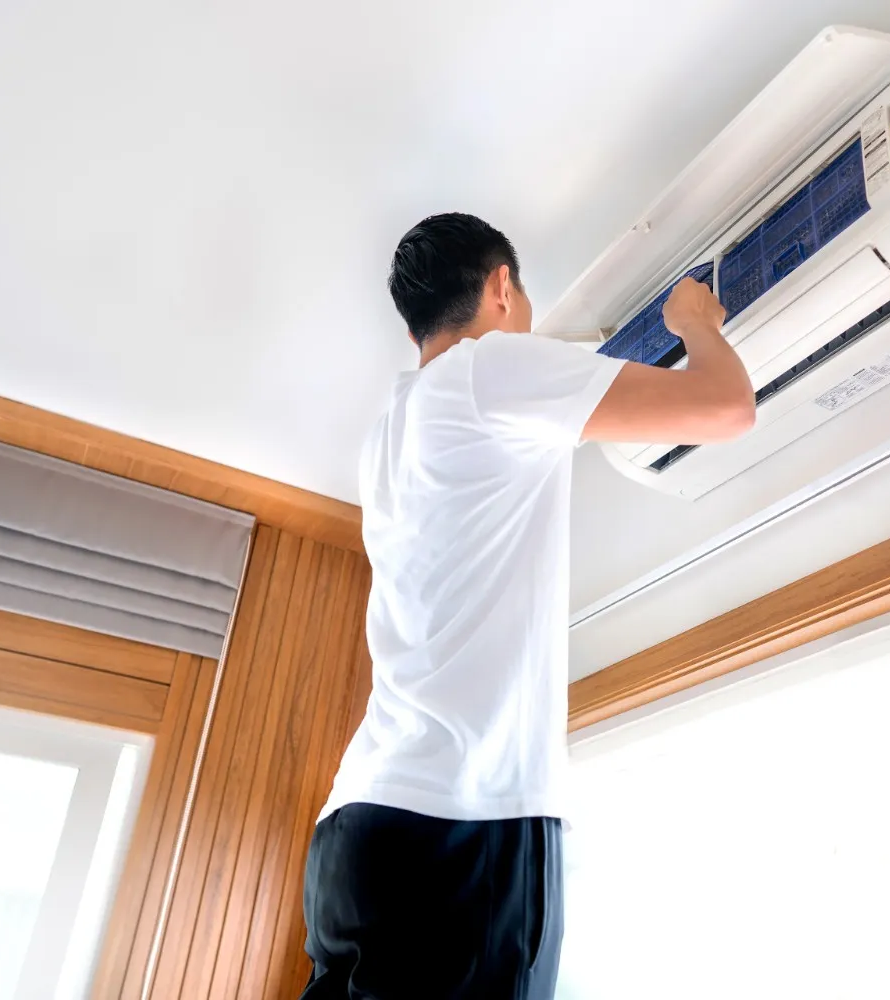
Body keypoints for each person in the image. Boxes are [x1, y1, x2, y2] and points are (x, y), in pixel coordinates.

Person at [299, 212, 755, 999]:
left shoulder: (388, 433)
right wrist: (694, 323)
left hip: (357, 832)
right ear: (501, 287)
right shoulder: (489, 371)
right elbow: (727, 407)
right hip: (461, 818)